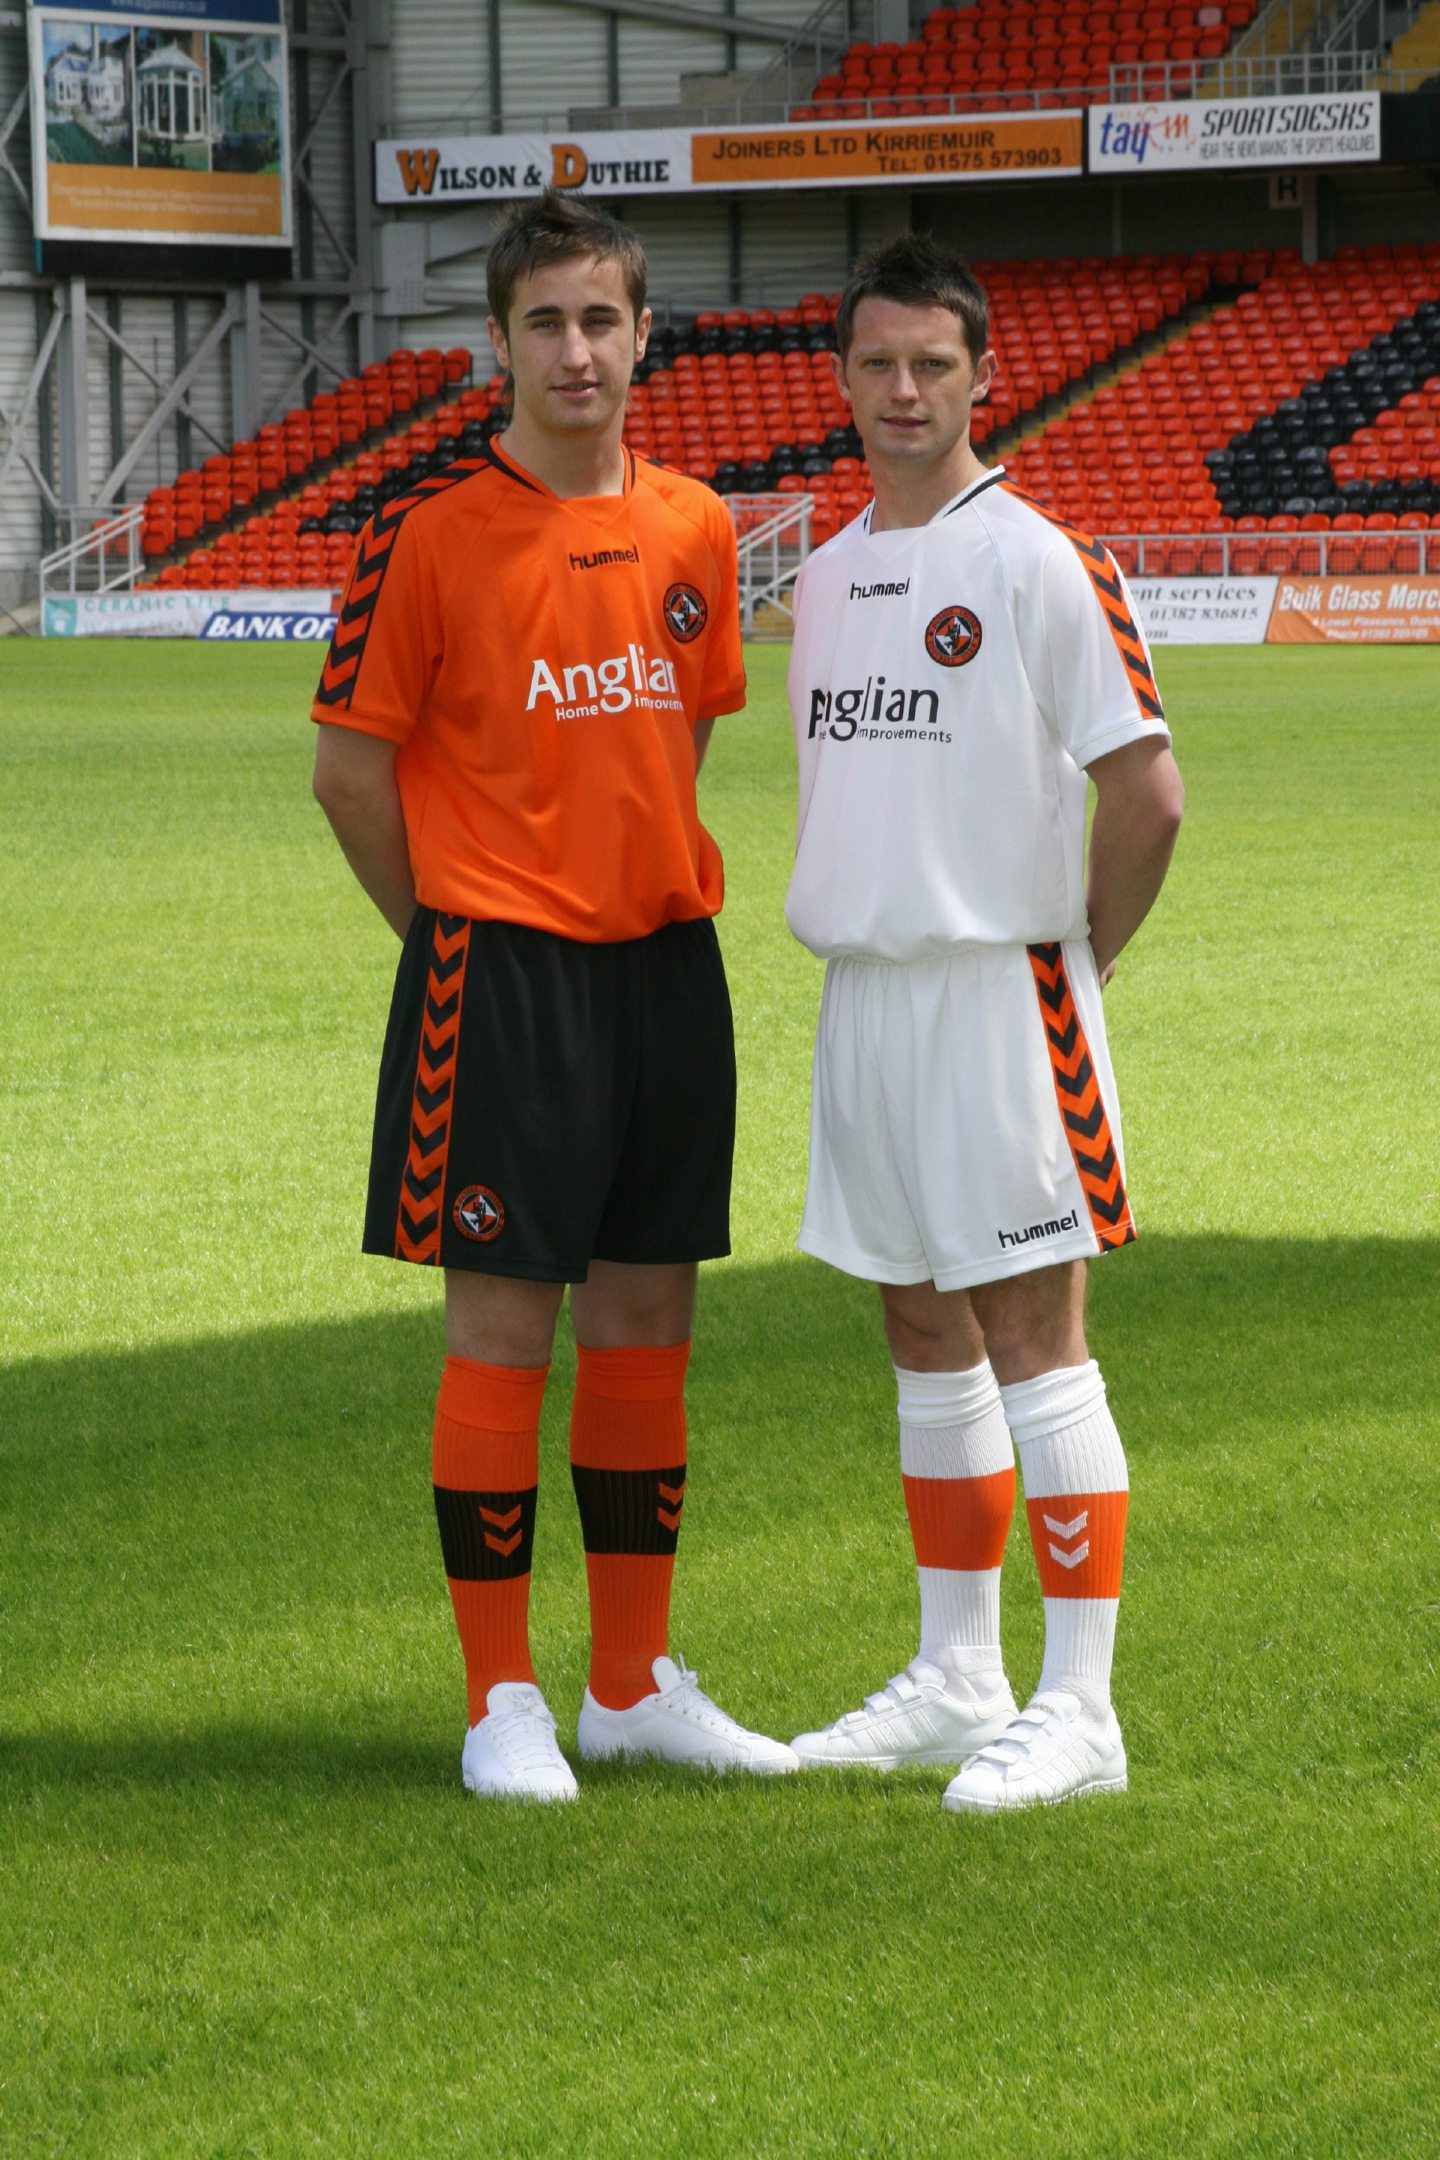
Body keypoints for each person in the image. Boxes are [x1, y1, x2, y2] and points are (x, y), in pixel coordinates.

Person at [311, 189, 797, 1801]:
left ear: (645, 334)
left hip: (667, 964)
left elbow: (686, 732)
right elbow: (348, 779)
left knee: (650, 1314)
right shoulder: (427, 536)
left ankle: (632, 1680)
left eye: (602, 320)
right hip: (499, 974)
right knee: (504, 1326)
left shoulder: (698, 528)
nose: (576, 350)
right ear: (497, 344)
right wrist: (451, 932)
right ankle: (499, 1696)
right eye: (545, 323)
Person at [783, 233, 1184, 1812]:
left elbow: (1146, 796)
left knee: (1036, 1336)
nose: (902, 390)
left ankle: (1080, 1711)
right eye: (876, 362)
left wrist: (1075, 963)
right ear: (841, 377)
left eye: (931, 364)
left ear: (982, 373)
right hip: (867, 996)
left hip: (1003, 991)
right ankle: (961, 1676)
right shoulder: (817, 575)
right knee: (918, 1327)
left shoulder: (1040, 558)